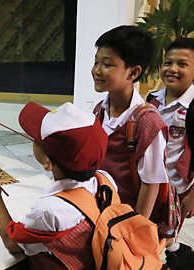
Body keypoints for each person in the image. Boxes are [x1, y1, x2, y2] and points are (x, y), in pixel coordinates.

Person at [0, 101, 114, 269]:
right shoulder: (105, 181)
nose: (32, 139)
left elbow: (12, 243)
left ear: (48, 163)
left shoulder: (49, 210)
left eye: (37, 138)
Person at [91, 25, 169, 222]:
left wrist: (133, 227)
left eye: (107, 64)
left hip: (126, 219)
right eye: (96, 62)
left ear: (133, 73)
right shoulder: (99, 110)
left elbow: (151, 184)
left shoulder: (147, 123)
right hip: (102, 209)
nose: (97, 71)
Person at [146, 37, 194, 264]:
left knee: (167, 232)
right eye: (167, 62)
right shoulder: (152, 100)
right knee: (149, 228)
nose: (172, 69)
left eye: (182, 64)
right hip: (151, 182)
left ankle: (169, 257)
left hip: (178, 187)